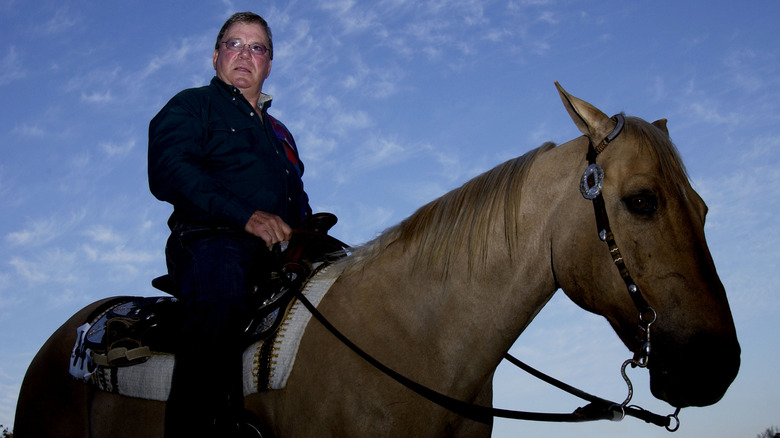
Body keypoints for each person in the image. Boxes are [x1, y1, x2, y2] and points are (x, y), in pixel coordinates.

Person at [148, 12, 311, 437]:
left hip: (278, 249)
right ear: (216, 56)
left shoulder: (281, 133)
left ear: (269, 64)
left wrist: (312, 234)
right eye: (234, 44)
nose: (245, 54)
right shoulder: (193, 105)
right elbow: (169, 169)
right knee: (220, 297)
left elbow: (296, 198)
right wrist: (245, 216)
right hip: (209, 239)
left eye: (257, 47)